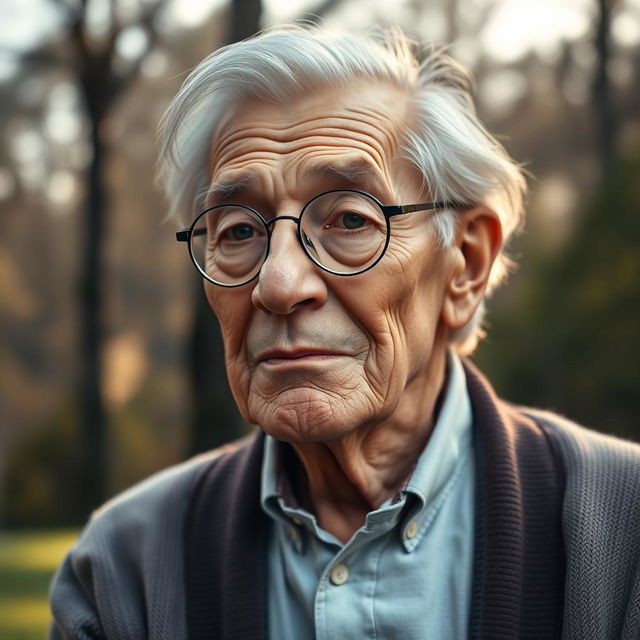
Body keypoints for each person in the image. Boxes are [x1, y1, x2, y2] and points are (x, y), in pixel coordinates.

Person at [49, 24, 640, 640]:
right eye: (239, 232)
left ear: (465, 263)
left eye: (351, 219)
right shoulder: (125, 573)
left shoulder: (625, 538)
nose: (277, 284)